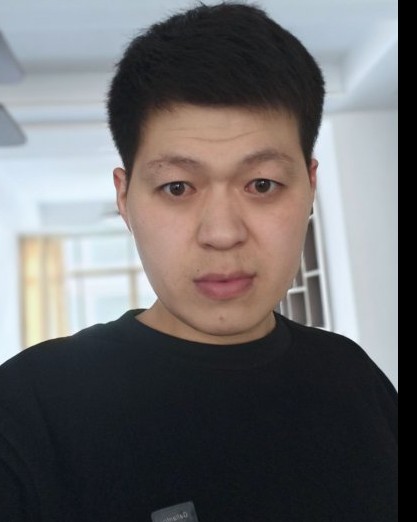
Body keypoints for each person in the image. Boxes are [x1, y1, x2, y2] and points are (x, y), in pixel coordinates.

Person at [0, 2, 398, 521]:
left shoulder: (353, 375)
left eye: (262, 184)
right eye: (177, 187)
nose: (222, 234)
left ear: (309, 186)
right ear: (124, 199)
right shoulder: (28, 410)